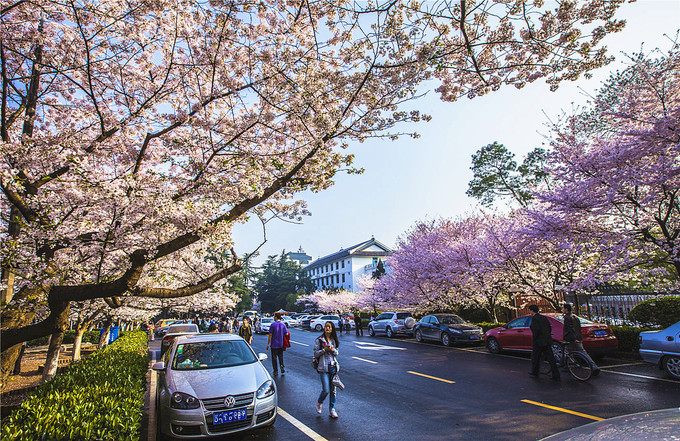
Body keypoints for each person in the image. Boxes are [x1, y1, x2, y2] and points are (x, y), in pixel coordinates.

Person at [563, 303, 600, 375]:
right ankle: (594, 366)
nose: (562, 310)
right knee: (581, 352)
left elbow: (570, 329)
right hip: (578, 337)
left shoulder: (567, 318)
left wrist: (574, 339)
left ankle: (593, 367)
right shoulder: (575, 316)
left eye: (563, 308)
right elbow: (578, 328)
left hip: (571, 339)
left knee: (568, 352)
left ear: (566, 309)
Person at [314, 321, 340, 419]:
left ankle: (332, 409)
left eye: (329, 327)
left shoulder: (333, 340)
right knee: (326, 390)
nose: (327, 328)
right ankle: (319, 402)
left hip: (333, 367)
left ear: (332, 329)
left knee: (333, 390)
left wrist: (333, 350)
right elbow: (315, 354)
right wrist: (324, 350)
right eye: (326, 327)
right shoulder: (319, 340)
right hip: (323, 368)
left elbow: (337, 353)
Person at [528, 304, 560, 380]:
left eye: (530, 310)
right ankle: (556, 374)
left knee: (535, 357)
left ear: (532, 311)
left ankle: (535, 372)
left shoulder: (534, 319)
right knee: (551, 358)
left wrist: (535, 339)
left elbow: (536, 330)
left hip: (539, 341)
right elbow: (549, 327)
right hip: (547, 340)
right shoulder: (543, 317)